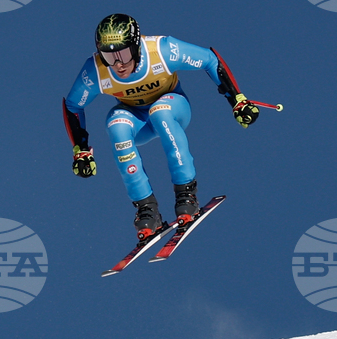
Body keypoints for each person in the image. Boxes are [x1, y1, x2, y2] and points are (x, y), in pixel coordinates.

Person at [63, 13, 259, 241]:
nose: (118, 64)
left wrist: (237, 99)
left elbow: (208, 59)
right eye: (109, 56)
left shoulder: (162, 50)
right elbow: (73, 105)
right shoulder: (96, 70)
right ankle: (147, 209)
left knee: (160, 112)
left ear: (136, 46)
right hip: (137, 119)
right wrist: (81, 150)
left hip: (173, 107)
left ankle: (186, 194)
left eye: (124, 54)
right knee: (115, 125)